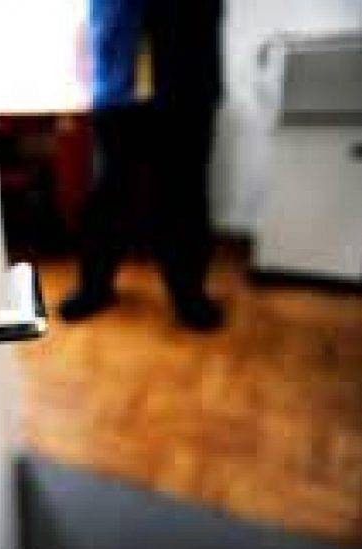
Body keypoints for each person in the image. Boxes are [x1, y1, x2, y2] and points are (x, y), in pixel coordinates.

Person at [59, 0, 226, 331]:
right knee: (108, 195)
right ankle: (95, 287)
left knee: (184, 195)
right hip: (115, 93)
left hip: (186, 91)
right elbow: (92, 24)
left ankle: (189, 295)